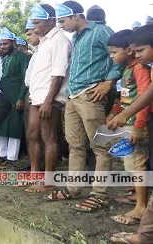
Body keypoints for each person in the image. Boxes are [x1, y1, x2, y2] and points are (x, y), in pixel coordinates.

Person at [47, 1, 123, 212]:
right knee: (75, 145)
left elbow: (120, 54)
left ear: (76, 16)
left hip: (91, 96)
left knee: (100, 146)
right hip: (73, 96)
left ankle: (99, 195)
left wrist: (109, 81)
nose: (61, 25)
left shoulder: (100, 31)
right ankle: (73, 188)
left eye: (63, 21)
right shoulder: (77, 37)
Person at [107, 24, 153, 244]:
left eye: (140, 50)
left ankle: (141, 208)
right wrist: (119, 112)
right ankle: (139, 200)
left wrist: (135, 123)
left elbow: (145, 95)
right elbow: (131, 96)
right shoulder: (134, 67)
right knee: (132, 165)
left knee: (138, 165)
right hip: (131, 122)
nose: (136, 55)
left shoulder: (140, 68)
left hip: (138, 124)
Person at [25, 3, 71, 193]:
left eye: (37, 23)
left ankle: (48, 181)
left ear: (51, 21)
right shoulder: (44, 41)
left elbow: (58, 73)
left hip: (48, 99)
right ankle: (35, 176)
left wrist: (48, 101)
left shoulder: (59, 40)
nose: (35, 28)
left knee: (49, 137)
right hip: (37, 97)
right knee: (32, 135)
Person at [0, 27, 30, 166]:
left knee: (14, 125)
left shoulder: (22, 57)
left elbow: (25, 78)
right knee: (1, 124)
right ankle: (2, 155)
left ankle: (12, 157)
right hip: (3, 95)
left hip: (16, 95)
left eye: (5, 43)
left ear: (13, 42)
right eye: (1, 44)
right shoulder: (6, 58)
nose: (3, 46)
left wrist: (21, 97)